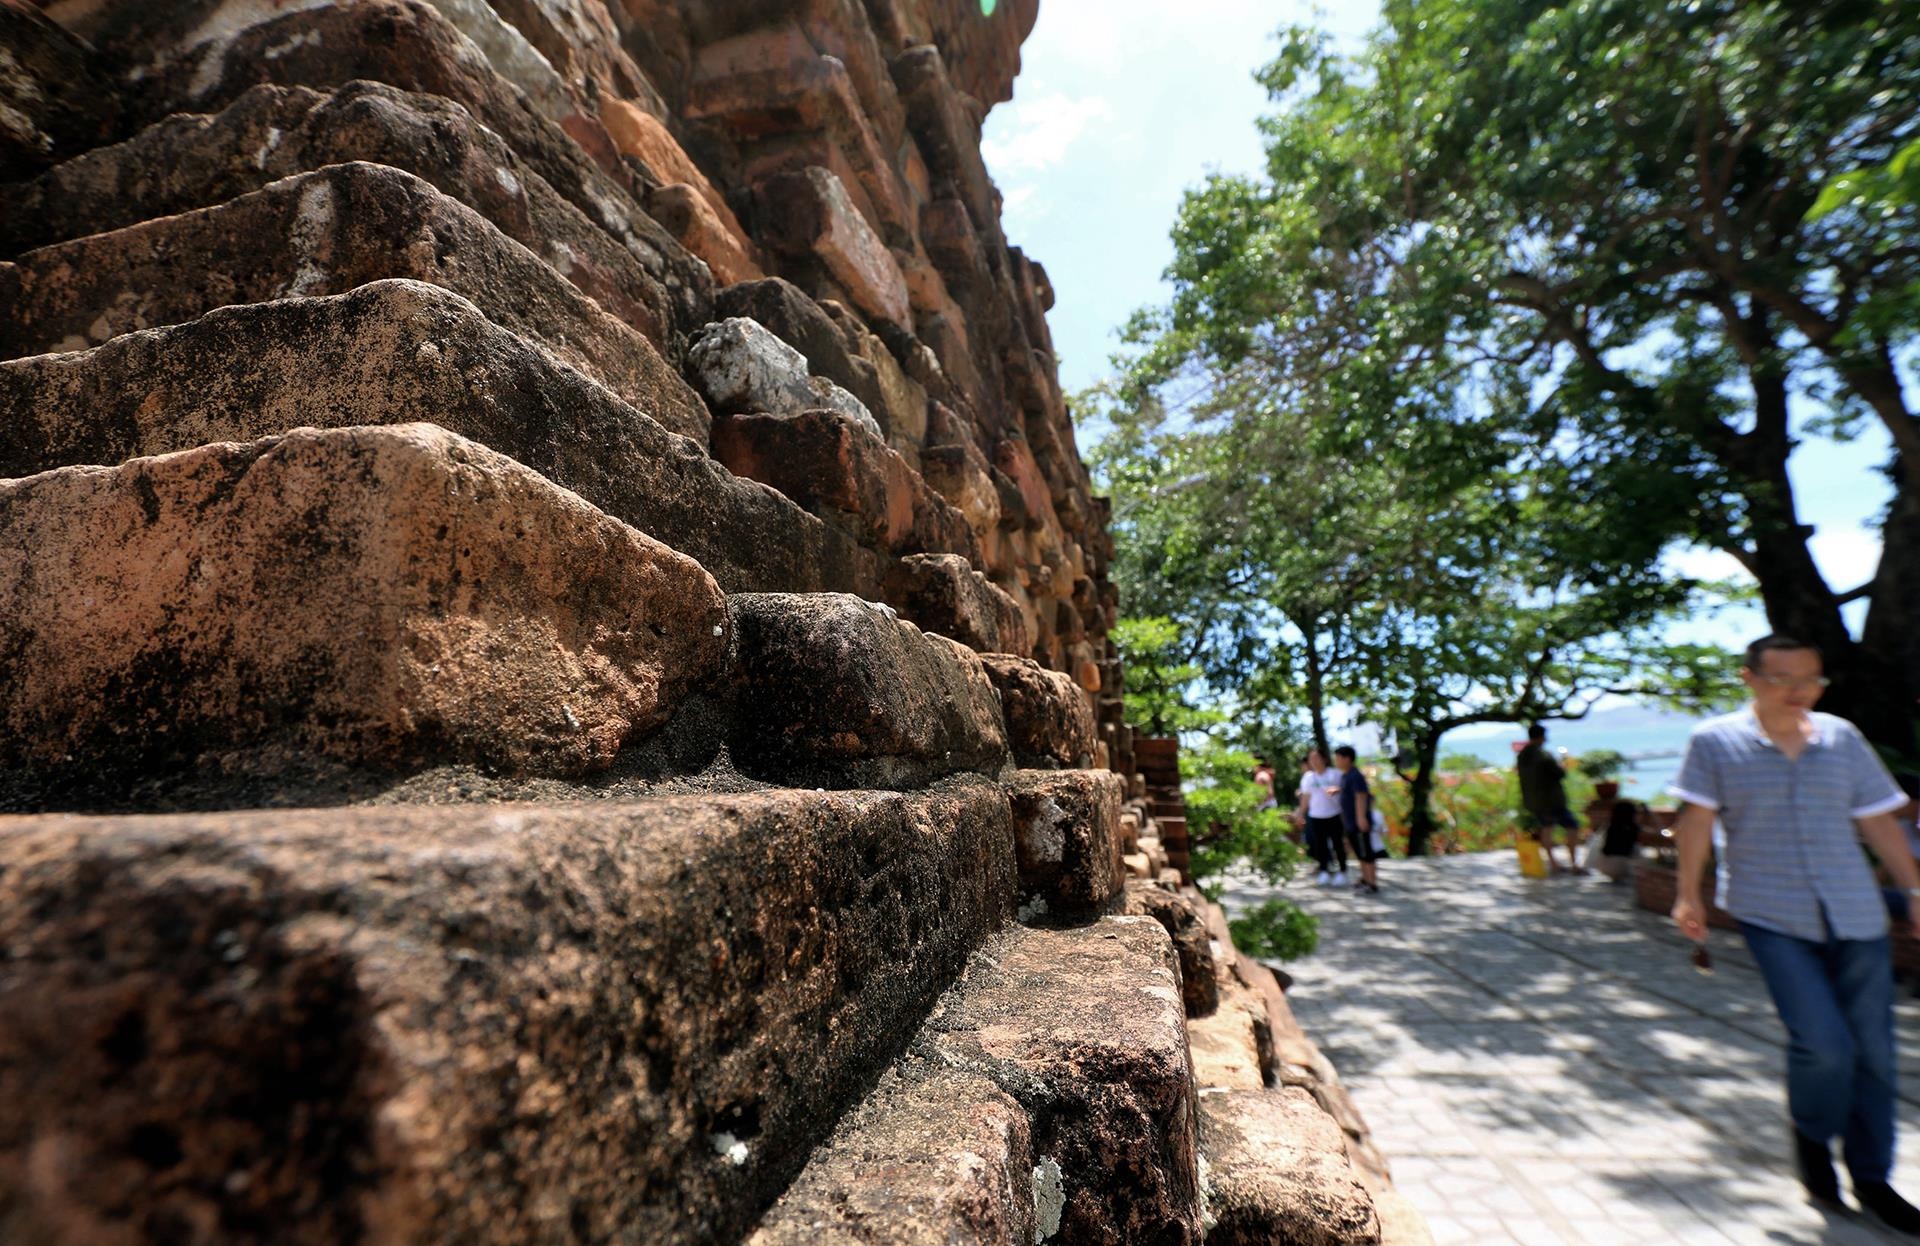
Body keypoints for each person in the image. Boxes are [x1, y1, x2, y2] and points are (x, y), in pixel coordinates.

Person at [1669, 634, 1920, 1233]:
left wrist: (1914, 888)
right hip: (1771, 913)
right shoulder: (1716, 742)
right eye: (1782, 679)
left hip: (1854, 911)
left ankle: (1872, 1177)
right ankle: (1812, 1143)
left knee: (1874, 1051)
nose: (1798, 691)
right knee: (1822, 1043)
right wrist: (1686, 891)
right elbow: (1696, 819)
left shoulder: (1841, 738)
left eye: (1810, 679)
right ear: (1750, 678)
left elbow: (1878, 822)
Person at [1515, 723, 1587, 875]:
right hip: (1552, 800)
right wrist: (1563, 763)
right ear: (1541, 736)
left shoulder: (1523, 755)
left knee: (1547, 829)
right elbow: (1558, 774)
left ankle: (1554, 864)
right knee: (1572, 826)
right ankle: (1574, 863)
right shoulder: (1542, 755)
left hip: (1535, 802)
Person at [1291, 748, 1347, 886]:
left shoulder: (1336, 774)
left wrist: (1337, 790)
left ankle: (1343, 871)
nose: (1313, 761)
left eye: (1316, 758)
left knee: (1337, 844)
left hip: (1334, 814)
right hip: (1316, 816)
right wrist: (1300, 815)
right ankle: (1323, 871)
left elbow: (1347, 789)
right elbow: (1306, 798)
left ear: (1324, 759)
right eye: (1311, 759)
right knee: (1320, 845)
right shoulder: (1308, 778)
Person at [1333, 745, 1381, 894]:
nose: (1337, 761)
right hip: (1350, 822)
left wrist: (1361, 818)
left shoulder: (1355, 775)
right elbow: (1349, 791)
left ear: (1347, 759)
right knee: (1360, 853)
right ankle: (1364, 879)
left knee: (1366, 853)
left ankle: (1371, 883)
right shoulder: (1346, 776)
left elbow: (1361, 796)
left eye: (1338, 758)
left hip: (1357, 822)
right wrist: (1338, 790)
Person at [1590, 798, 1641, 884]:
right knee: (1638, 848)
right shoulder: (1633, 828)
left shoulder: (1609, 827)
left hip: (1604, 864)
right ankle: (1620, 873)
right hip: (1623, 865)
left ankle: (1615, 874)